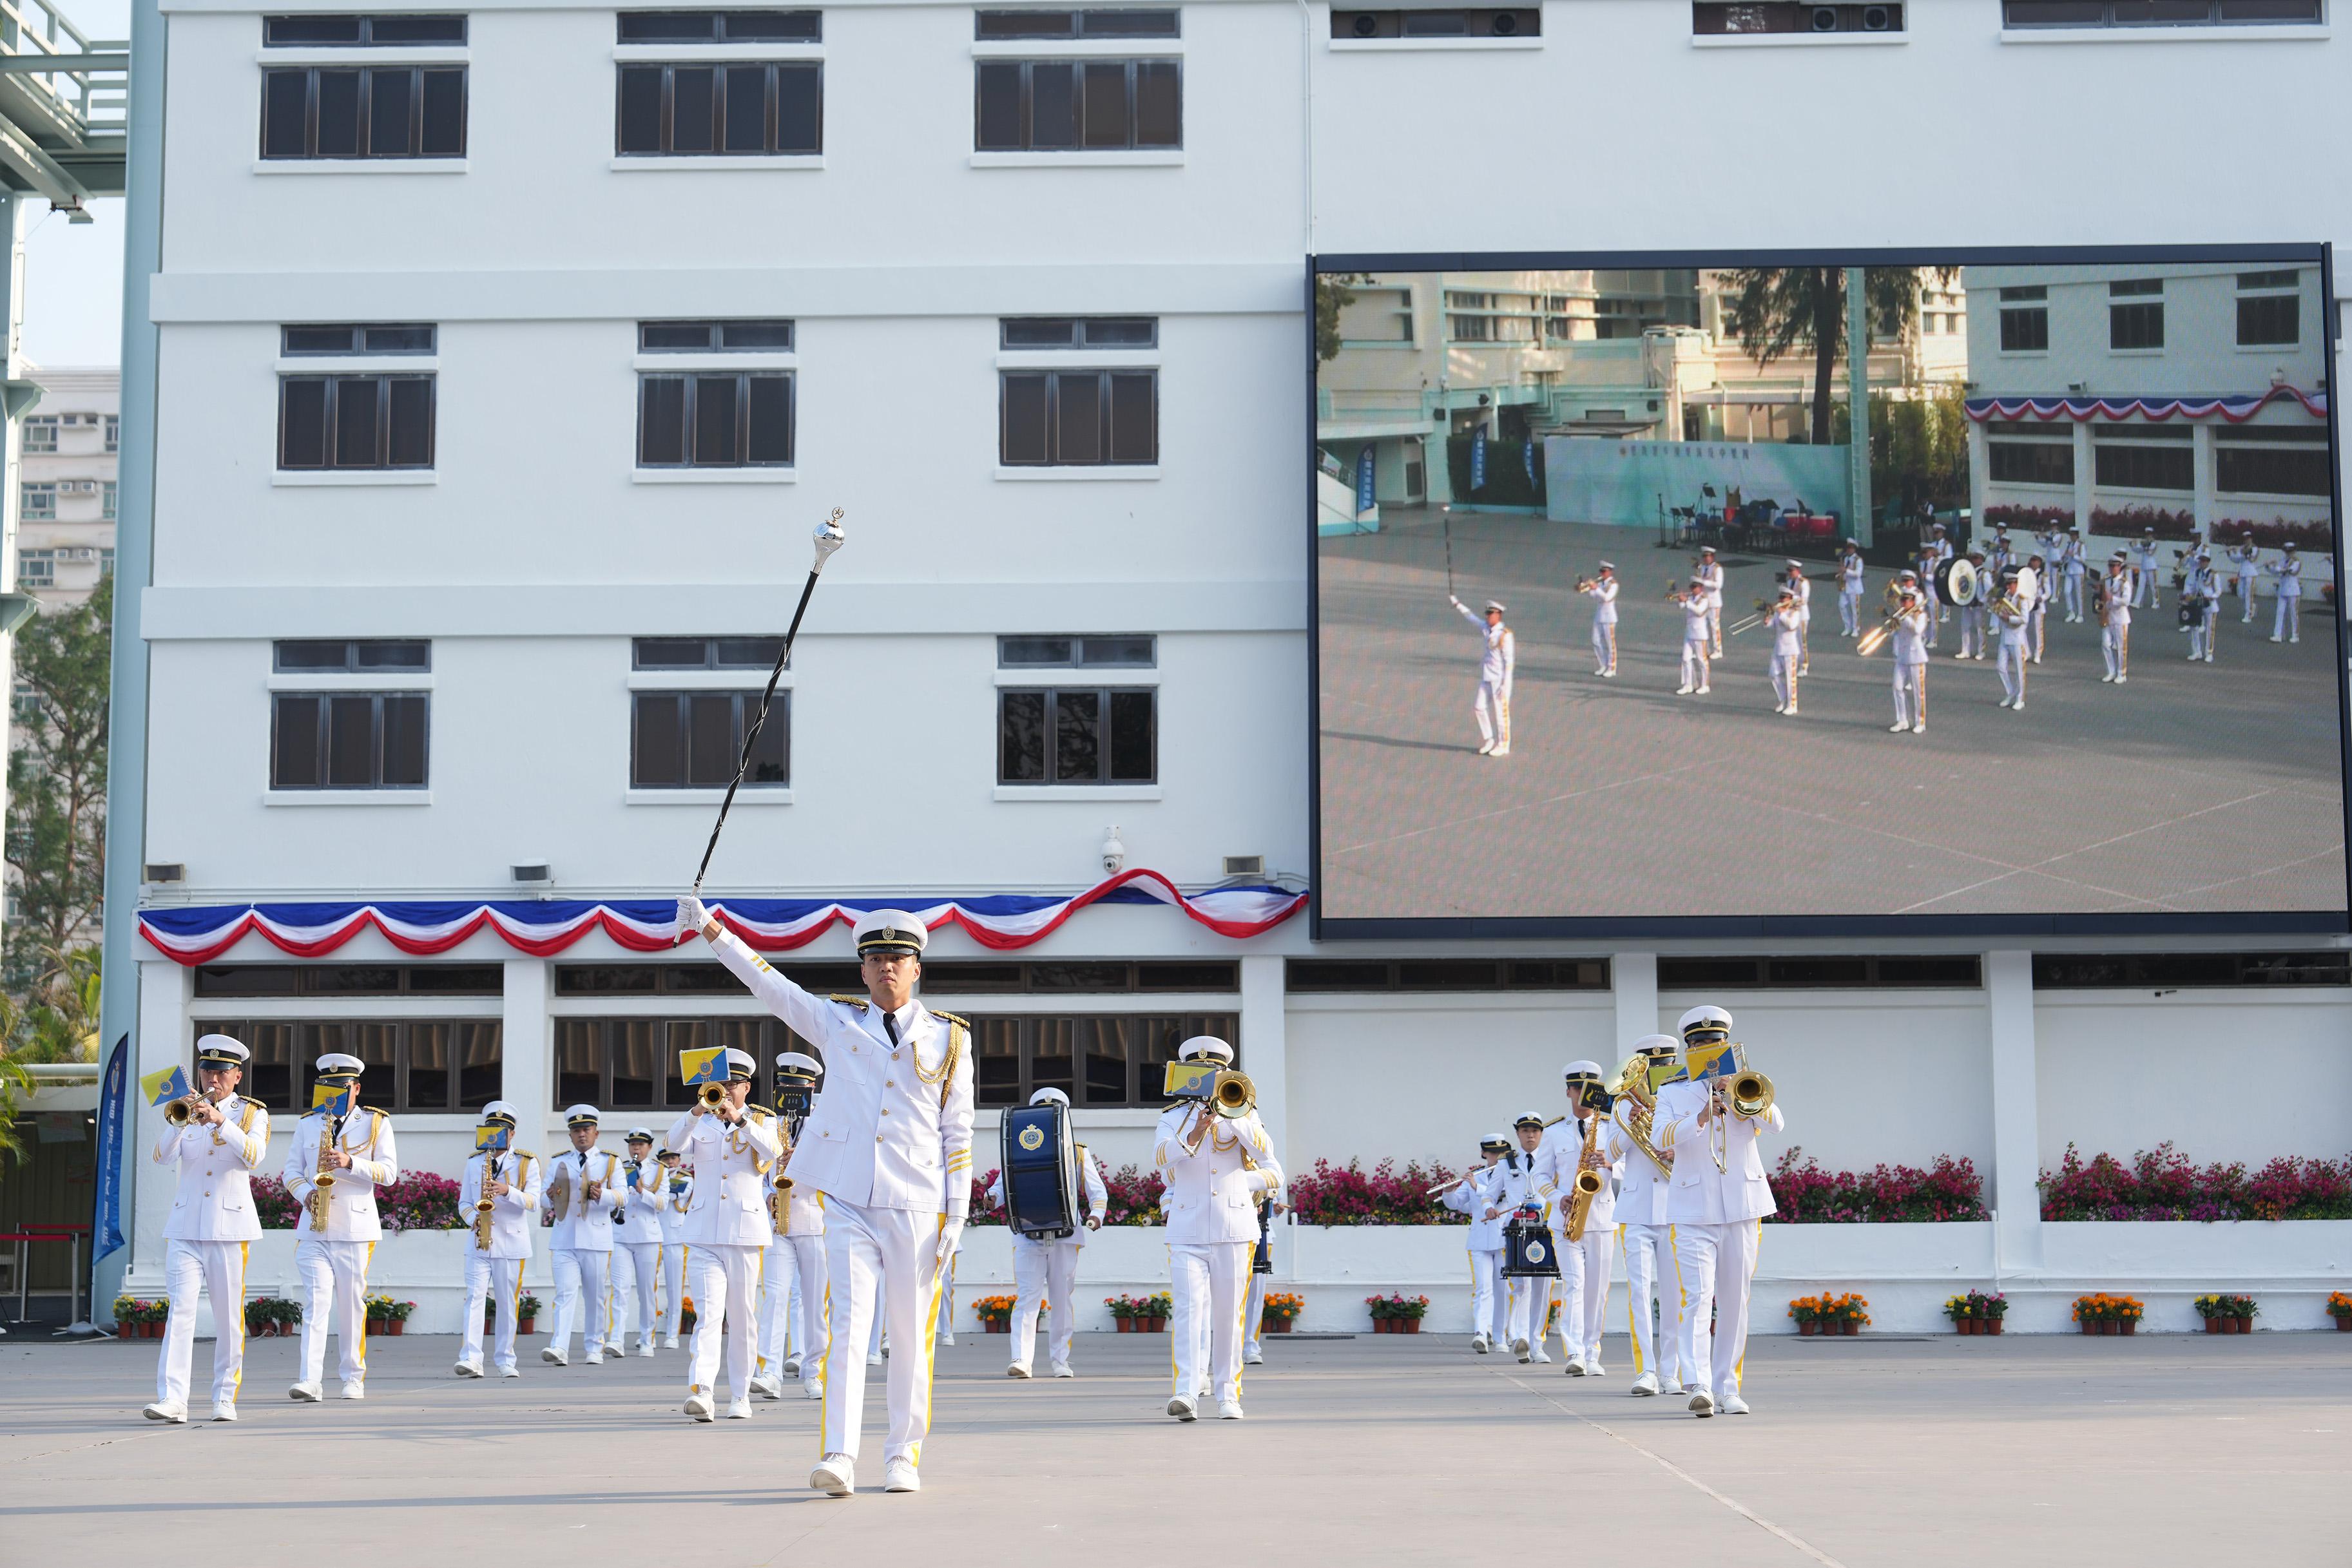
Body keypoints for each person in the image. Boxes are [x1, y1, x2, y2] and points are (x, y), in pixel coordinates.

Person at [680, 900, 972, 1497]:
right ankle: (840, 1453)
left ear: (917, 968)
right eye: (876, 960)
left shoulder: (950, 1037)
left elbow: (958, 1130)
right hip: (847, 1199)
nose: (887, 968)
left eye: (898, 958)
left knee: (909, 1334)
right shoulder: (837, 1022)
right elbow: (769, 984)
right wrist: (712, 931)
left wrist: (959, 1210)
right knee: (848, 1325)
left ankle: (903, 1455)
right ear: (862, 971)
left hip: (918, 1201)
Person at [1655, 1007, 1785, 1419]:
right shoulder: (1673, 1092)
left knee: (1735, 1301)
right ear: (1691, 1050)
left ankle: (1729, 1387)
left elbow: (1778, 1124)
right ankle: (1700, 1385)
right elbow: (1660, 1137)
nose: (1710, 1053)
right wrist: (1700, 1117)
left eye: (1717, 1045)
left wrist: (1739, 1096)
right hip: (1694, 1209)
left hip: (1744, 1206)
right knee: (1698, 1298)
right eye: (1702, 1046)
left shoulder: (1747, 1083)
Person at [144, 1035, 271, 1424]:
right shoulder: (185, 1108)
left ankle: (224, 1397)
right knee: (180, 1313)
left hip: (229, 1229)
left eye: (220, 1072)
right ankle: (173, 1400)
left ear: (237, 1076)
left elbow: (255, 1157)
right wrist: (180, 1119)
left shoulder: (252, 1114)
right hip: (185, 1227)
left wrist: (221, 1121)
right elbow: (162, 1157)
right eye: (206, 1071)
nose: (212, 1078)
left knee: (228, 1317)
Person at [1155, 1035, 1283, 1420]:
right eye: (1202, 1072)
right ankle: (1187, 1392)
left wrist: (1237, 1122)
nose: (1212, 1080)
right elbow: (1161, 1160)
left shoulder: (1245, 1114)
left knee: (1229, 1316)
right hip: (1187, 1229)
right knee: (1188, 1312)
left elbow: (1274, 1170)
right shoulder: (1173, 1116)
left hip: (1235, 1227)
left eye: (1218, 1073)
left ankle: (1229, 1394)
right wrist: (1194, 1131)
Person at [664, 1047, 781, 1423]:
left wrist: (741, 1122)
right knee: (708, 1314)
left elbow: (774, 1152)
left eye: (734, 1084)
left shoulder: (763, 1121)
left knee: (743, 1317)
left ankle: (742, 1393)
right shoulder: (701, 1121)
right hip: (703, 1231)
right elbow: (672, 1145)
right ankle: (703, 1390)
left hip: (745, 1232)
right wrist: (699, 1110)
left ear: (747, 1087)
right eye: (721, 1084)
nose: (726, 1090)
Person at [282, 1051, 397, 1402]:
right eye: (325, 1085)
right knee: (315, 1304)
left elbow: (389, 1174)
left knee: (350, 1304)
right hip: (314, 1226)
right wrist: (304, 1195)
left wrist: (351, 1162)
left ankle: (353, 1377)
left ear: (356, 1088)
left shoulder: (376, 1123)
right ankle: (310, 1379)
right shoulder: (308, 1123)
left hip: (355, 1228)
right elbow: (290, 1171)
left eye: (340, 1086)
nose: (331, 1092)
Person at [986, 1089, 1109, 1379]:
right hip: (1029, 1233)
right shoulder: (1019, 1146)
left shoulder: (1078, 1151)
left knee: (1061, 1299)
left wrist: (1096, 1215)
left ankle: (1060, 1361)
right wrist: (991, 1197)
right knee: (1027, 1297)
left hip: (1066, 1235)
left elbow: (1097, 1191)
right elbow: (1002, 1187)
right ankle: (1021, 1359)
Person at [1606, 1036, 1689, 1397]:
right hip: (1637, 1209)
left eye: (1664, 1066)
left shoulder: (1683, 1098)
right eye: (1650, 1067)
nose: (1657, 1074)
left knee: (1673, 1294)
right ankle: (1646, 1371)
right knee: (1639, 1292)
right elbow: (1608, 1153)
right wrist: (1630, 1127)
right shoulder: (1623, 1103)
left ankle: (1671, 1371)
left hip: (1675, 1207)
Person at [755, 1053, 830, 1401]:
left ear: (811, 1089)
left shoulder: (826, 1123)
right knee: (774, 1298)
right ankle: (770, 1371)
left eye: (797, 1088)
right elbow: (753, 1169)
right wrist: (766, 1193)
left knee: (816, 1302)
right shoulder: (769, 1124)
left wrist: (799, 1161)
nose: (791, 1095)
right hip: (777, 1222)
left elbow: (837, 1174)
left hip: (815, 1220)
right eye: (785, 1087)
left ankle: (814, 1372)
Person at [1539, 1065, 1619, 1377]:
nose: (1582, 1096)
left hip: (1602, 1217)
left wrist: (1610, 1164)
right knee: (1575, 1285)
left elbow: (1631, 1167)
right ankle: (1574, 1352)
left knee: (1597, 1290)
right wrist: (1557, 1195)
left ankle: (1592, 1352)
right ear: (1569, 1091)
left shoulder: (1612, 1127)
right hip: (1567, 1219)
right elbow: (1540, 1174)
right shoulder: (1554, 1132)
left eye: (1589, 1090)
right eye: (1577, 1089)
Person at [456, 1100, 541, 1379]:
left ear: (512, 1133)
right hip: (480, 1241)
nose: (496, 1133)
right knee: (474, 1299)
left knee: (507, 1303)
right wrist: (473, 1220)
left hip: (511, 1242)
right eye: (491, 1128)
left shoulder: (527, 1163)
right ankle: (471, 1358)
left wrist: (507, 1190)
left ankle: (506, 1359)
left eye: (502, 1129)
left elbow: (534, 1202)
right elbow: (464, 1203)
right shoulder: (474, 1161)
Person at [543, 1105, 624, 1367]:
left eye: (586, 1130)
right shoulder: (558, 1161)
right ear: (570, 1135)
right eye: (576, 1131)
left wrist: (606, 1195)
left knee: (595, 1296)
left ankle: (594, 1347)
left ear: (596, 1133)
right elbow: (545, 1199)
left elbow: (624, 1196)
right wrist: (549, 1196)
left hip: (596, 1238)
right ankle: (559, 1345)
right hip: (565, 1237)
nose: (581, 1135)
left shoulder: (610, 1162)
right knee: (564, 1294)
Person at [1440, 1135, 1519, 1353]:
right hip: (1478, 1240)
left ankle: (1501, 1336)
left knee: (1503, 1290)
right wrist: (1448, 1192)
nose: (1497, 1157)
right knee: (1483, 1288)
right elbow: (1458, 1204)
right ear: (1484, 1153)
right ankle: (1480, 1333)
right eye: (1493, 1153)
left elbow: (1502, 1197)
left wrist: (1477, 1188)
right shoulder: (1475, 1176)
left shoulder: (1512, 1174)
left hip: (1503, 1239)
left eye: (1502, 1153)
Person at [1504, 1113, 1554, 1365]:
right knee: (1521, 1286)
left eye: (1535, 1130)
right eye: (1525, 1130)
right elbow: (1489, 1196)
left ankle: (1538, 1344)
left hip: (1545, 1227)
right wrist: (1491, 1207)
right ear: (1518, 1134)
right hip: (1518, 1228)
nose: (1530, 1135)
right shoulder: (1507, 1162)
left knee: (1543, 1289)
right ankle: (1520, 1337)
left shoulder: (1551, 1158)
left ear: (1542, 1134)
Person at [611, 1128, 665, 1357]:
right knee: (619, 1290)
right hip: (621, 1236)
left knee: (646, 1291)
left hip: (647, 1237)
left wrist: (642, 1191)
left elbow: (663, 1204)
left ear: (649, 1147)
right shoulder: (618, 1167)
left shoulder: (659, 1170)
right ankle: (616, 1339)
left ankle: (647, 1339)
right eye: (633, 1144)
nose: (636, 1148)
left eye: (641, 1144)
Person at [1449, 595, 1515, 756]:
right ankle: (1489, 739)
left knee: (1501, 713)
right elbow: (1471, 618)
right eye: (1487, 614)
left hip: (1500, 679)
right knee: (1479, 707)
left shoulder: (1505, 635)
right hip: (1488, 676)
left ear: (1498, 615)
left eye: (1490, 614)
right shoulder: (1486, 628)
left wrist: (1506, 685)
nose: (1487, 617)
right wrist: (1458, 604)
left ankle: (1504, 744)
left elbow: (1509, 662)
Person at [655, 1147, 692, 1347]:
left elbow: (671, 1195)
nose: (670, 1161)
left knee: (675, 1287)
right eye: (666, 1159)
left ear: (679, 1159)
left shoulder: (686, 1178)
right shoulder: (654, 1176)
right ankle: (649, 1334)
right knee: (648, 1287)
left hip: (675, 1238)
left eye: (673, 1158)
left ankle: (672, 1335)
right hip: (652, 1235)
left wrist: (654, 1186)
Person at [1889, 582, 1929, 735]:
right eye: (1903, 600)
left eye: (1907, 601)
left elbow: (1917, 631)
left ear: (1914, 602)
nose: (1904, 603)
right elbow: (1894, 633)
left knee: (1918, 692)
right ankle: (1902, 720)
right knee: (1897, 687)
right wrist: (1893, 623)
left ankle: (1921, 722)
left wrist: (1906, 619)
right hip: (1902, 656)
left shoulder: (1921, 615)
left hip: (1916, 658)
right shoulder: (1900, 614)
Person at [1994, 575, 2030, 712]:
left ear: (2016, 584)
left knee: (2019, 670)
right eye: (2007, 585)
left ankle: (2020, 699)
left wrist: (2010, 618)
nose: (2008, 587)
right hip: (2005, 636)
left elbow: (2025, 619)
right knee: (2000, 667)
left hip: (2017, 638)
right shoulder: (2006, 597)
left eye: (2011, 585)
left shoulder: (2022, 600)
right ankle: (2011, 692)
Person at [1765, 589, 1803, 718]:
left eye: (1784, 598)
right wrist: (1767, 621)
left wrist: (1781, 614)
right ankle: (1783, 699)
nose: (1781, 600)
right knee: (1773, 674)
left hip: (1791, 650)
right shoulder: (1779, 612)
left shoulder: (1795, 612)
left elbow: (1791, 626)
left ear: (1790, 599)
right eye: (1780, 597)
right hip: (1778, 648)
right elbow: (1773, 625)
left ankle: (1792, 705)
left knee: (1790, 679)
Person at [1675, 579, 1712, 696]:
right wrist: (1681, 599)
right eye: (1691, 587)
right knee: (1686, 659)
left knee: (1702, 660)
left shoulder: (1705, 600)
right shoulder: (1691, 598)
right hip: (1689, 633)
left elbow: (1699, 612)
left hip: (1700, 635)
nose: (1692, 589)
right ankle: (1688, 685)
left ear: (1701, 588)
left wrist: (1687, 601)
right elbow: (1682, 607)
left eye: (1695, 587)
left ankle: (1705, 685)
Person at [2100, 553, 2133, 685]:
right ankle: (2111, 671)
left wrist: (2112, 598)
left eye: (2115, 566)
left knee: (2121, 648)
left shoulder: (2124, 583)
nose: (2112, 568)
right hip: (2109, 616)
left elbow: (2126, 601)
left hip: (2121, 618)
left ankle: (2121, 673)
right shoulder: (2107, 580)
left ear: (2120, 568)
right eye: (2111, 566)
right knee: (2105, 644)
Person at [1583, 563, 1619, 678]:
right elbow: (1595, 596)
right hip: (1599, 616)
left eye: (1604, 572)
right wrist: (1588, 587)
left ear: (1610, 572)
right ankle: (1603, 664)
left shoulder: (1614, 585)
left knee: (1610, 644)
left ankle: (1611, 668)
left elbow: (1607, 598)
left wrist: (1597, 589)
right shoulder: (1600, 583)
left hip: (1609, 618)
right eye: (1601, 571)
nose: (1602, 574)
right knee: (1595, 641)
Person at [2186, 550, 2220, 665]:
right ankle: (2196, 651)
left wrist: (2212, 596)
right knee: (2194, 626)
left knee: (2210, 630)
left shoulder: (2214, 574)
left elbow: (2219, 590)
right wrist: (2188, 595)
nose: (2202, 563)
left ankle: (2209, 653)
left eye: (2204, 561)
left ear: (2208, 562)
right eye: (2201, 561)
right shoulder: (2197, 573)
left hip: (2210, 605)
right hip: (2199, 603)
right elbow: (2194, 587)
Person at [1954, 550, 1989, 661]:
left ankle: (1981, 651)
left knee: (1980, 628)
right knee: (1965, 626)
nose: (1974, 560)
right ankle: (1965, 650)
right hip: (1967, 603)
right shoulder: (1968, 572)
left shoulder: (1985, 574)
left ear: (1982, 560)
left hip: (1978, 604)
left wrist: (1982, 601)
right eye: (1973, 558)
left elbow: (1989, 591)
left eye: (1976, 558)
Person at [2266, 542, 2302, 644]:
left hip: (2293, 591)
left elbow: (2286, 571)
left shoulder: (2296, 562)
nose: (2288, 553)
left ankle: (2295, 635)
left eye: (2290, 551)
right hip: (2282, 590)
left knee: (2293, 613)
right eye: (2287, 551)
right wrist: (2269, 566)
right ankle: (2278, 635)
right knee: (2280, 612)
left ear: (2294, 551)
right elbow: (2275, 572)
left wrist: (2276, 566)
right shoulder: (2282, 560)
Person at [1695, 546, 1726, 657]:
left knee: (1714, 626)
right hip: (1703, 601)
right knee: (1702, 626)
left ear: (1712, 557)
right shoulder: (1701, 568)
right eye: (1704, 556)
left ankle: (1718, 650)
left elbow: (1718, 585)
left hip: (1714, 602)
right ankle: (1704, 650)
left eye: (1708, 556)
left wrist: (1704, 582)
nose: (1706, 559)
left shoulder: (1718, 569)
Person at [2023, 554, 2050, 664]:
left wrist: (2041, 598)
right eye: (2033, 560)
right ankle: (2026, 651)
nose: (2034, 563)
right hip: (2028, 604)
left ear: (2040, 563)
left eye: (2037, 561)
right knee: (2022, 627)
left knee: (2038, 630)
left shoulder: (2043, 576)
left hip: (2038, 605)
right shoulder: (2027, 574)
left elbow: (2048, 592)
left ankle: (2038, 653)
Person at [1836, 540, 1865, 638]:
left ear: (1854, 549)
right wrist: (1841, 576)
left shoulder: (1858, 560)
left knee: (1854, 609)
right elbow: (1844, 571)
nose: (1848, 550)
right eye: (1848, 548)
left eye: (1850, 548)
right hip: (1845, 586)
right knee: (1841, 605)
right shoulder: (1846, 558)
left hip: (1855, 588)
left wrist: (1846, 571)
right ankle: (1847, 626)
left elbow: (1858, 574)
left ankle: (1855, 628)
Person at [2230, 534, 2260, 623]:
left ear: (2251, 539)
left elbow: (2252, 559)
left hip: (2250, 573)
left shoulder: (2255, 548)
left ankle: (2249, 614)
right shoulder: (2242, 548)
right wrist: (2231, 553)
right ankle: (2252, 606)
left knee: (2248, 594)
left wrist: (2243, 552)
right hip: (2242, 573)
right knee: (2240, 593)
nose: (2246, 540)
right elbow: (2237, 559)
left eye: (2248, 538)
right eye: (2245, 539)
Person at [2061, 529, 2087, 623]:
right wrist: (2064, 557)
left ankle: (2080, 614)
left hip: (2078, 571)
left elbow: (2083, 559)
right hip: (2069, 571)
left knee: (2079, 594)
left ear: (2077, 536)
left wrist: (2073, 556)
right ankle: (2071, 612)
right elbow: (2068, 557)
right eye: (2071, 535)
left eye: (2073, 535)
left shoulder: (2081, 545)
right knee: (2067, 591)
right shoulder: (2069, 545)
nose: (2072, 537)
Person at [2132, 528, 2161, 609]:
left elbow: (2150, 553)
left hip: (2151, 567)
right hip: (2143, 566)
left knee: (2153, 586)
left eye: (2149, 534)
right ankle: (2137, 602)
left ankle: (2156, 603)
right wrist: (2133, 545)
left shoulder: (2153, 543)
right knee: (2140, 585)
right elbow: (2137, 550)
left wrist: (2144, 546)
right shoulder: (2144, 543)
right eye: (2147, 534)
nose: (2148, 536)